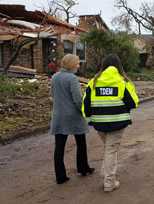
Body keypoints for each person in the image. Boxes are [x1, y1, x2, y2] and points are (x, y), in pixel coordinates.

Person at [82, 54, 139, 192]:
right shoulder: (123, 82)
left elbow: (86, 105)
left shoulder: (93, 82)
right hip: (117, 123)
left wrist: (89, 120)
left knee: (109, 149)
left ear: (103, 65)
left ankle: (106, 174)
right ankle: (109, 182)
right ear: (119, 65)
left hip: (99, 123)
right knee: (111, 151)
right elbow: (133, 103)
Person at [50, 54, 94, 184]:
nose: (78, 65)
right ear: (71, 64)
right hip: (73, 115)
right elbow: (78, 99)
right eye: (77, 63)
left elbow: (54, 95)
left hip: (58, 115)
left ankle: (60, 176)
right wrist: (85, 112)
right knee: (81, 142)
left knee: (59, 147)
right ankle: (83, 168)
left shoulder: (54, 77)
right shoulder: (72, 78)